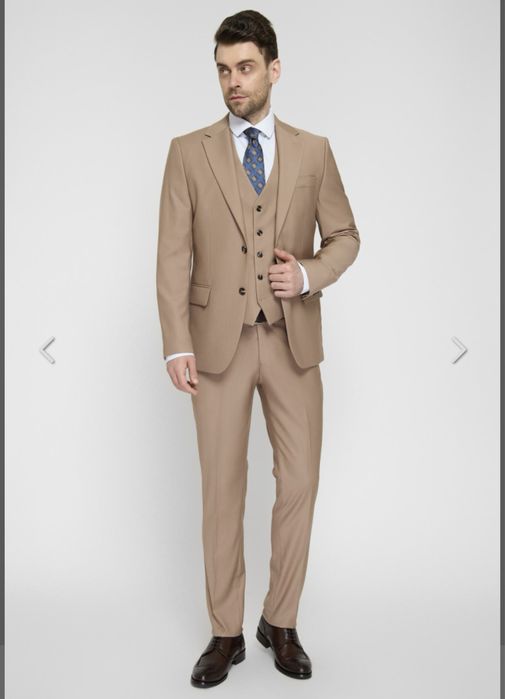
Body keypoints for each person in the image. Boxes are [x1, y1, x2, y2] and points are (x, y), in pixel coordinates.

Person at [156, 9, 360, 689]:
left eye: (244, 68)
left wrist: (306, 275)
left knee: (299, 482)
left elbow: (345, 237)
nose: (232, 82)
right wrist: (175, 344)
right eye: (223, 70)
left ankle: (281, 619)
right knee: (221, 487)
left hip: (292, 340)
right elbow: (172, 255)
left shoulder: (313, 151)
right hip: (216, 343)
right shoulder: (187, 151)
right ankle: (225, 632)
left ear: (274, 69)